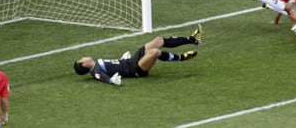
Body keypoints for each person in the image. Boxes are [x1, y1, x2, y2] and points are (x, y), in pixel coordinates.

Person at [73, 24, 203, 85]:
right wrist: (111, 81)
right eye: (81, 59)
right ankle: (183, 57)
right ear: (83, 64)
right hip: (136, 69)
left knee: (158, 41)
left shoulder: (97, 62)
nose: (83, 57)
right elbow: (102, 77)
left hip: (131, 60)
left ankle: (193, 39)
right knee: (155, 53)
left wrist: (122, 59)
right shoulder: (95, 71)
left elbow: (114, 65)